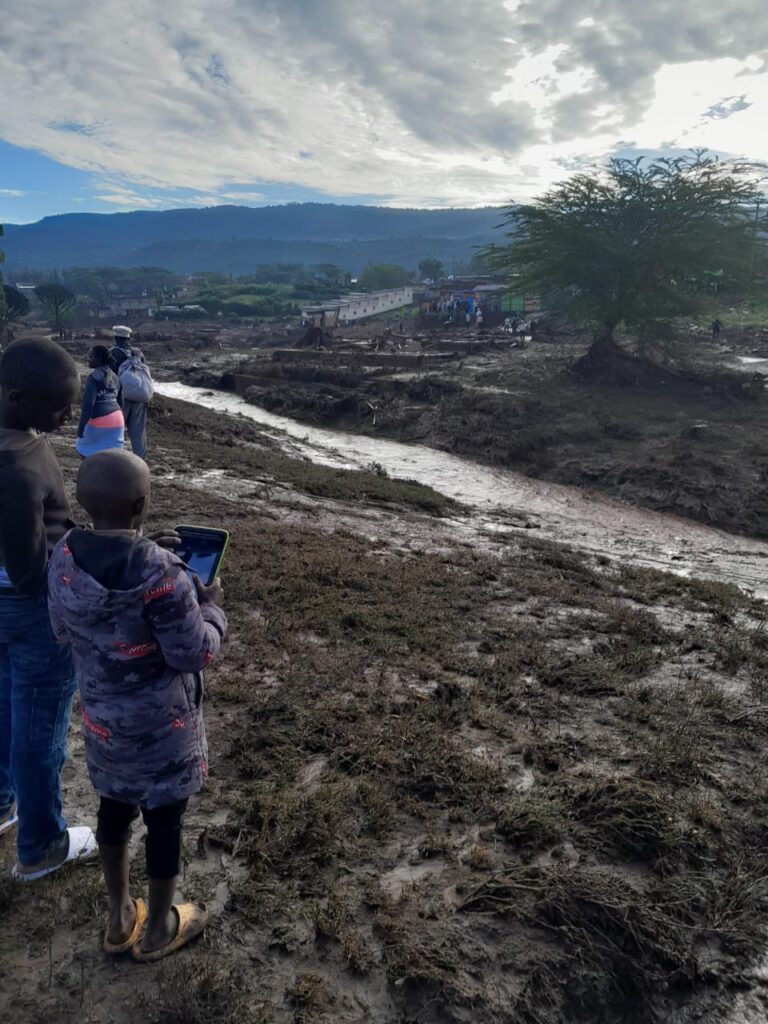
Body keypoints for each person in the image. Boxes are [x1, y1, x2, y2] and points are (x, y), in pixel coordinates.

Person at [48, 450, 227, 960]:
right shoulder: (164, 575)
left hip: (104, 727)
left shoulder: (62, 557)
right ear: (144, 505)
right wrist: (211, 608)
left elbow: (61, 629)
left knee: (113, 811)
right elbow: (192, 653)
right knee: (164, 823)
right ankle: (158, 931)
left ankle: (120, 914)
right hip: (163, 736)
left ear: (81, 500)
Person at [0, 338, 96, 879]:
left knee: (5, 705)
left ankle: (2, 804)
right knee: (39, 727)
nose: (66, 416)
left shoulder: (17, 436)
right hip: (32, 611)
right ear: (16, 397)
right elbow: (30, 571)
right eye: (58, 407)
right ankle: (40, 847)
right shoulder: (13, 469)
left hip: (5, 610)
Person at [111, 326, 153, 461]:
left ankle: (116, 462)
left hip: (120, 400)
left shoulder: (113, 354)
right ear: (129, 338)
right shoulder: (138, 354)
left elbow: (109, 378)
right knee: (138, 435)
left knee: (116, 433)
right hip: (140, 399)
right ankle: (141, 465)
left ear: (116, 338)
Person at [76, 345, 125, 458]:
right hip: (118, 420)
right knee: (112, 456)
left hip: (101, 420)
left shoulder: (92, 378)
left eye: (91, 356)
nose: (88, 358)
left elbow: (88, 405)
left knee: (83, 448)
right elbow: (121, 402)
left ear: (98, 359)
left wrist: (81, 427)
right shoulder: (116, 377)